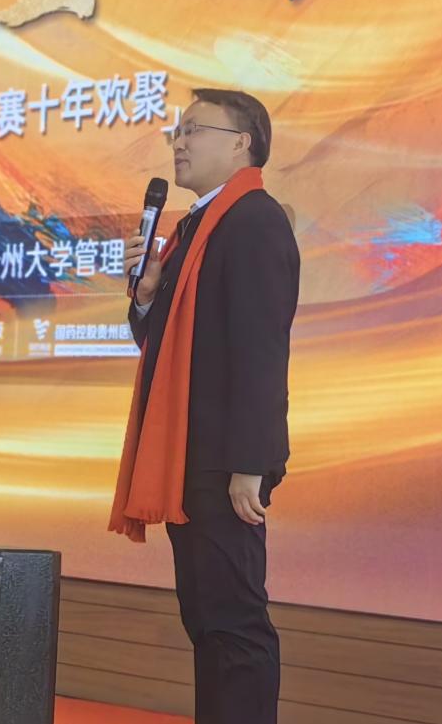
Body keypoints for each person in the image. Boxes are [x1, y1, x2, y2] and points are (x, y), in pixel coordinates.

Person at [109, 87, 300, 723]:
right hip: (190, 456)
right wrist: (146, 296)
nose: (180, 142)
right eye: (178, 131)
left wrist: (252, 463)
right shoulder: (193, 227)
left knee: (234, 625)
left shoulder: (254, 220)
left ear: (242, 143)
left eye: (195, 130)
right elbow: (162, 343)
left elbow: (262, 348)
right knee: (207, 620)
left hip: (225, 462)